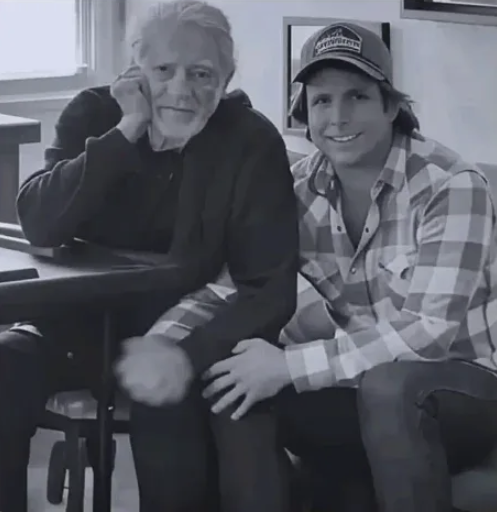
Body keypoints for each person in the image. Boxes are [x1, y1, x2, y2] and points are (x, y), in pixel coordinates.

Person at [153, 22, 497, 512]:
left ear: (391, 106)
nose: (337, 117)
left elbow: (429, 334)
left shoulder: (451, 186)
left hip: (467, 391)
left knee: (391, 385)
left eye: (357, 96)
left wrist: (291, 365)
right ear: (305, 114)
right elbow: (234, 288)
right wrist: (164, 344)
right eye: (321, 101)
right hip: (358, 386)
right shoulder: (294, 190)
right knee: (236, 381)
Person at [0, 2, 299, 512]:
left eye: (201, 74)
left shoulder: (250, 141)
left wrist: (183, 355)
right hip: (75, 330)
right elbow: (40, 222)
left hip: (184, 336)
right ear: (135, 71)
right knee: (4, 366)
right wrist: (126, 131)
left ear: (226, 80)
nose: (181, 89)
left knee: (166, 398)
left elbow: (269, 289)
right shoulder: (93, 113)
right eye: (163, 70)